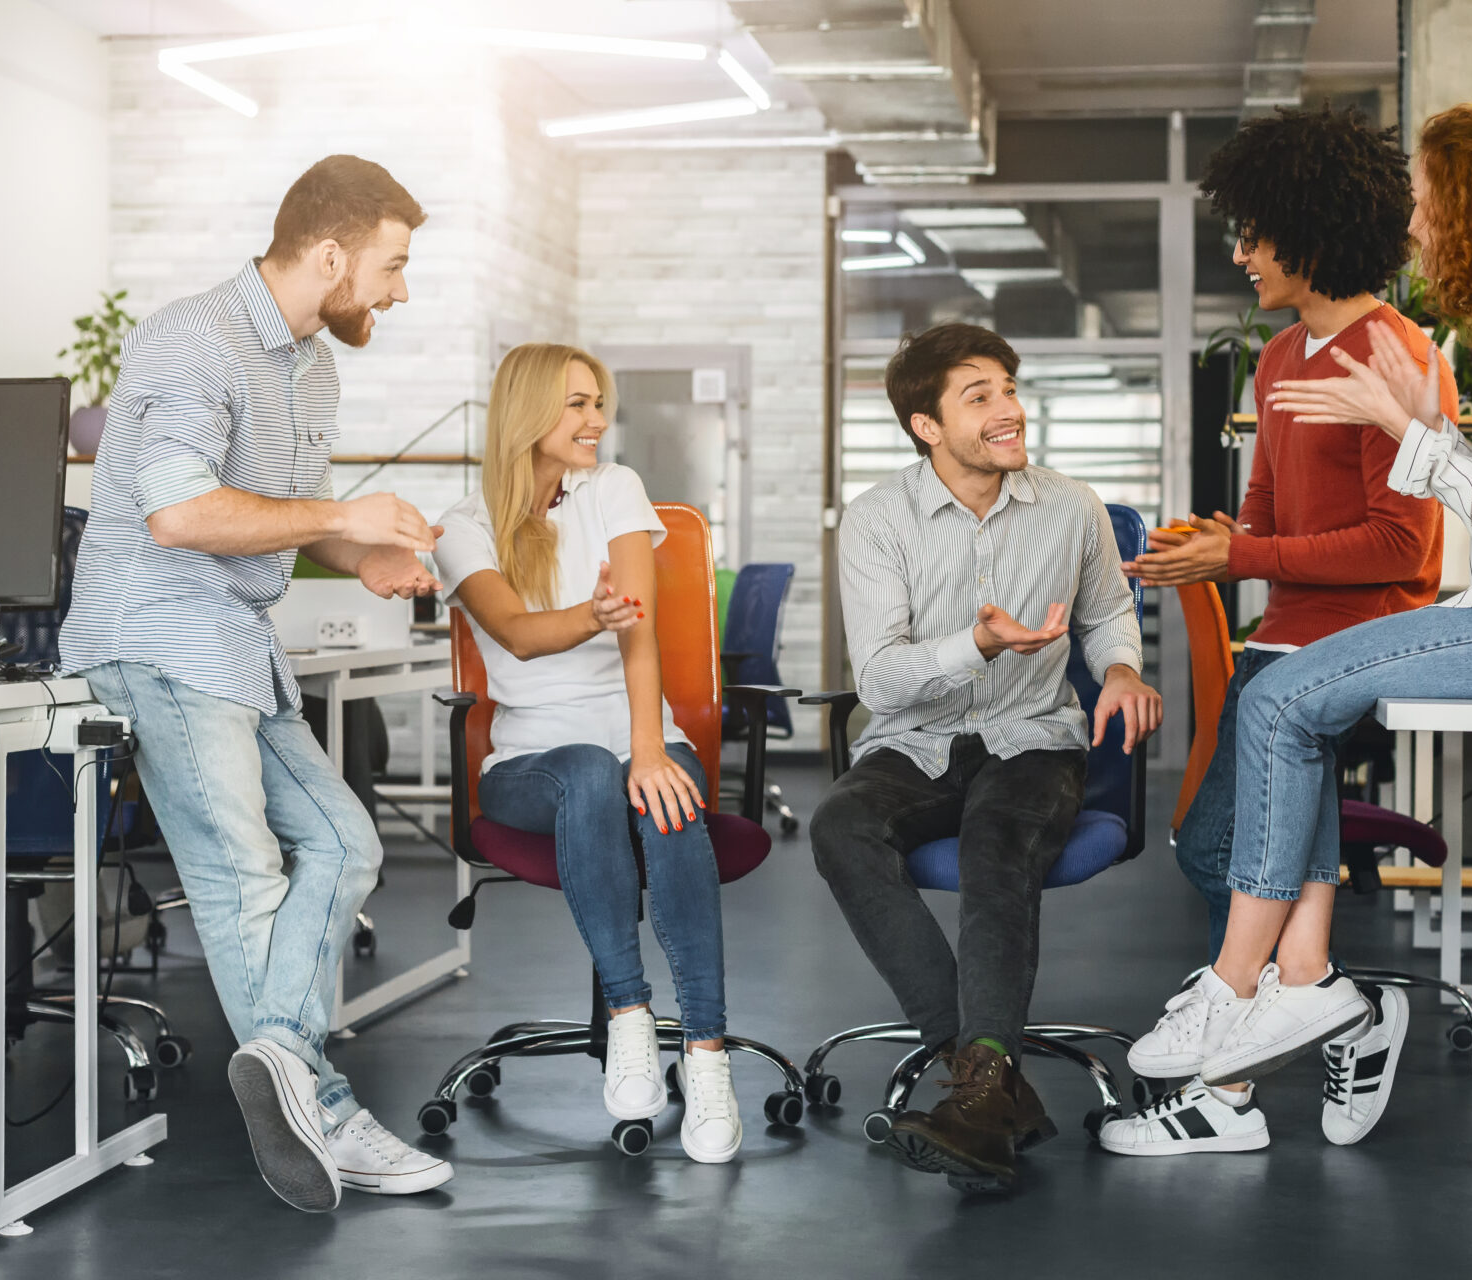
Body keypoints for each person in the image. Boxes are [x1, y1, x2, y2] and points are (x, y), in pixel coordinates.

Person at [1130, 104, 1472, 1112]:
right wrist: (1429, 429)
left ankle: (1243, 988)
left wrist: (1406, 423)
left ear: (1470, 207)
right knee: (1283, 700)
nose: (1416, 225)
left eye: (1428, 201)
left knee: (1280, 702)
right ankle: (1288, 983)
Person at [59, 155, 455, 1212]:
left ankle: (282, 1058)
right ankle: (321, 1105)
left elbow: (281, 515)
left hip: (238, 642)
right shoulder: (191, 337)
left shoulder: (313, 365)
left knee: (345, 841)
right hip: (158, 635)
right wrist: (342, 519)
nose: (399, 289)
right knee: (244, 873)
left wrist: (357, 553)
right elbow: (180, 513)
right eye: (393, 264)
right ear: (330, 253)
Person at [1111, 105, 1448, 1157]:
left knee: (1219, 838)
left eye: (1257, 232)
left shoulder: (1396, 355)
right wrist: (1224, 537)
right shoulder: (1278, 358)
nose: (1244, 252)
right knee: (1227, 838)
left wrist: (1243, 558)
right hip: (1289, 637)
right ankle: (1299, 1010)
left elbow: (1405, 550)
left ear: (1311, 229)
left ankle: (1282, 1031)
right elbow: (1267, 508)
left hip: (1362, 643)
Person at [809, 321, 1163, 1195]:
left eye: (1009, 387)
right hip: (916, 739)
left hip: (1033, 737)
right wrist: (976, 643)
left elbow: (1109, 612)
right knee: (839, 826)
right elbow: (883, 681)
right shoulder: (877, 521)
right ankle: (986, 1076)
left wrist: (1120, 668)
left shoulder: (1073, 507)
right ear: (927, 426)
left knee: (994, 849)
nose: (1010, 409)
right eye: (981, 396)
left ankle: (977, 1086)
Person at [432, 343, 743, 1165]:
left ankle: (707, 1057)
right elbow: (518, 635)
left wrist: (651, 747)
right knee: (584, 772)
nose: (597, 420)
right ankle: (630, 1013)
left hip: (638, 732)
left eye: (598, 402)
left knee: (660, 793)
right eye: (576, 404)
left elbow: (640, 633)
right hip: (529, 767)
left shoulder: (615, 487)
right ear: (528, 412)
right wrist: (590, 614)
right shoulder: (465, 526)